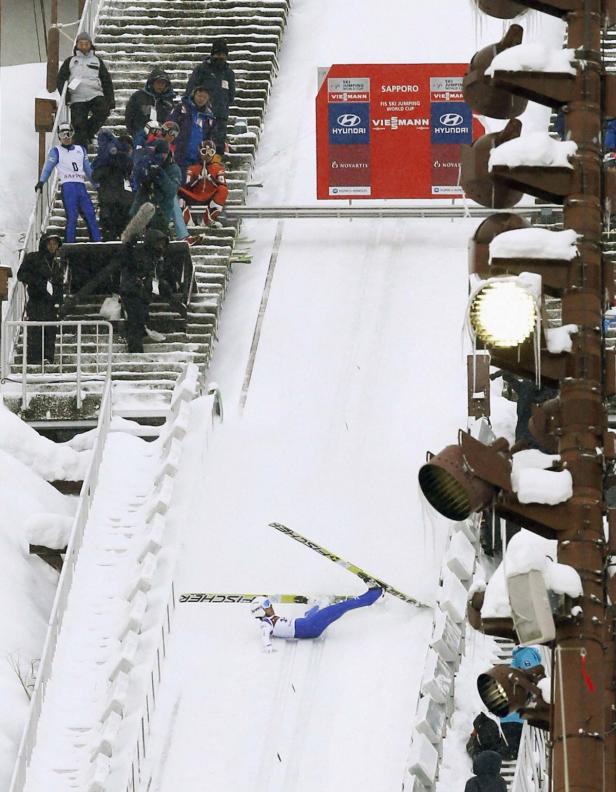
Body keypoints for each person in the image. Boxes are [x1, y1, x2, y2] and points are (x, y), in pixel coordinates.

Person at [251, 584, 382, 652]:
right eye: (267, 605)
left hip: (309, 625)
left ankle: (319, 603)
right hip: (310, 626)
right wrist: (268, 646)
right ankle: (375, 594)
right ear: (260, 612)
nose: (271, 606)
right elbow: (264, 635)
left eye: (269, 603)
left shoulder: (270, 619)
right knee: (342, 607)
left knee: (311, 613)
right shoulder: (266, 624)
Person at [35, 123, 101, 243]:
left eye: (69, 134)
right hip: (68, 187)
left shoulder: (81, 150)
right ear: (59, 137)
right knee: (72, 217)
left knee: (90, 214)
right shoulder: (56, 151)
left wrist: (96, 185)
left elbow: (88, 170)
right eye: (63, 134)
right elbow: (48, 168)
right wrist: (41, 181)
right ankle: (70, 245)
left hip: (81, 186)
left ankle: (97, 243)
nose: (66, 137)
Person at [56, 32, 115, 147]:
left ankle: (88, 133)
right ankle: (81, 153)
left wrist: (110, 100)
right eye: (81, 44)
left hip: (95, 94)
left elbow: (106, 81)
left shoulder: (97, 61)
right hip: (77, 97)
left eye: (86, 44)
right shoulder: (70, 61)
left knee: (103, 110)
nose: (83, 47)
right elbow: (61, 79)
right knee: (78, 124)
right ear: (77, 45)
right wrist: (67, 96)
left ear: (90, 45)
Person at [117, 229, 168, 353]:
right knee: (135, 321)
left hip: (143, 294)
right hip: (132, 291)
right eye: (158, 243)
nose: (161, 246)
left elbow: (156, 275)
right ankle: (135, 349)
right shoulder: (140, 253)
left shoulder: (156, 258)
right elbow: (128, 260)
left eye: (163, 244)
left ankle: (135, 345)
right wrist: (130, 243)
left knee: (139, 321)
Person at [17, 233, 64, 364]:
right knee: (35, 332)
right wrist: (39, 282)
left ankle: (48, 359)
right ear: (44, 243)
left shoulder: (56, 265)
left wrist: (60, 303)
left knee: (50, 332)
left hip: (51, 304)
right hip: (37, 301)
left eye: (55, 244)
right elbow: (21, 274)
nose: (52, 246)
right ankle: (34, 362)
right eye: (50, 243)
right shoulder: (33, 257)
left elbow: (59, 285)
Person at [185, 39, 235, 156]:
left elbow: (231, 95)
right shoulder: (202, 70)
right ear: (212, 54)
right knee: (200, 145)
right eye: (218, 54)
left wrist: (223, 105)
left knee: (217, 148)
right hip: (202, 114)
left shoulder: (229, 73)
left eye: (223, 54)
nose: (220, 57)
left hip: (220, 116)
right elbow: (190, 90)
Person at [498, 646, 542, 760]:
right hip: (517, 716)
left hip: (509, 715)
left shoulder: (515, 662)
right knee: (518, 751)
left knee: (512, 751)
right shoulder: (527, 653)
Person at [130, 138, 181, 236]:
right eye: (159, 154)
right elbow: (137, 181)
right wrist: (145, 173)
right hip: (142, 206)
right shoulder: (147, 162)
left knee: (158, 237)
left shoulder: (173, 169)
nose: (162, 157)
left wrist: (160, 175)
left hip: (161, 210)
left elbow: (171, 190)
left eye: (164, 154)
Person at [92, 131, 134, 241]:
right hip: (120, 205)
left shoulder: (104, 162)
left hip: (108, 203)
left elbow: (95, 176)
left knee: (109, 236)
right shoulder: (125, 163)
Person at [179, 139, 228, 228]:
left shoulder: (218, 168)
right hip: (195, 195)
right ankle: (186, 220)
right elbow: (186, 186)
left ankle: (208, 218)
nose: (207, 155)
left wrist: (211, 179)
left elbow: (222, 184)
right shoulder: (192, 168)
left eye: (211, 152)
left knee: (223, 190)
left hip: (210, 196)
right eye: (204, 151)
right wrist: (198, 178)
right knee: (178, 190)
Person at [169, 84, 216, 177]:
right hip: (179, 153)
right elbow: (170, 125)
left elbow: (210, 137)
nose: (201, 99)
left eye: (204, 97)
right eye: (199, 95)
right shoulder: (181, 109)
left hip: (197, 158)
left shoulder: (209, 117)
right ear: (194, 95)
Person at [125, 67, 177, 148]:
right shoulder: (138, 96)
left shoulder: (169, 101)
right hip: (141, 136)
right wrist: (135, 132)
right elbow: (129, 115)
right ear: (152, 83)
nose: (160, 86)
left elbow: (172, 120)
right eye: (158, 82)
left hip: (162, 139)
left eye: (163, 83)